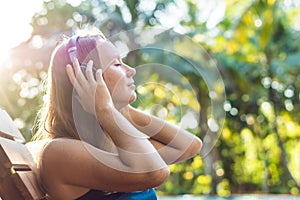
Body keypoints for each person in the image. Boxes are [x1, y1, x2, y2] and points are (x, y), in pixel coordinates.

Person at [34, 30, 202, 200]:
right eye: (116, 64)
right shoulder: (58, 153)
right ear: (85, 77)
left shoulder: (112, 143)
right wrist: (106, 110)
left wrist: (121, 110)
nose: (130, 70)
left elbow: (189, 145)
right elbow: (155, 173)